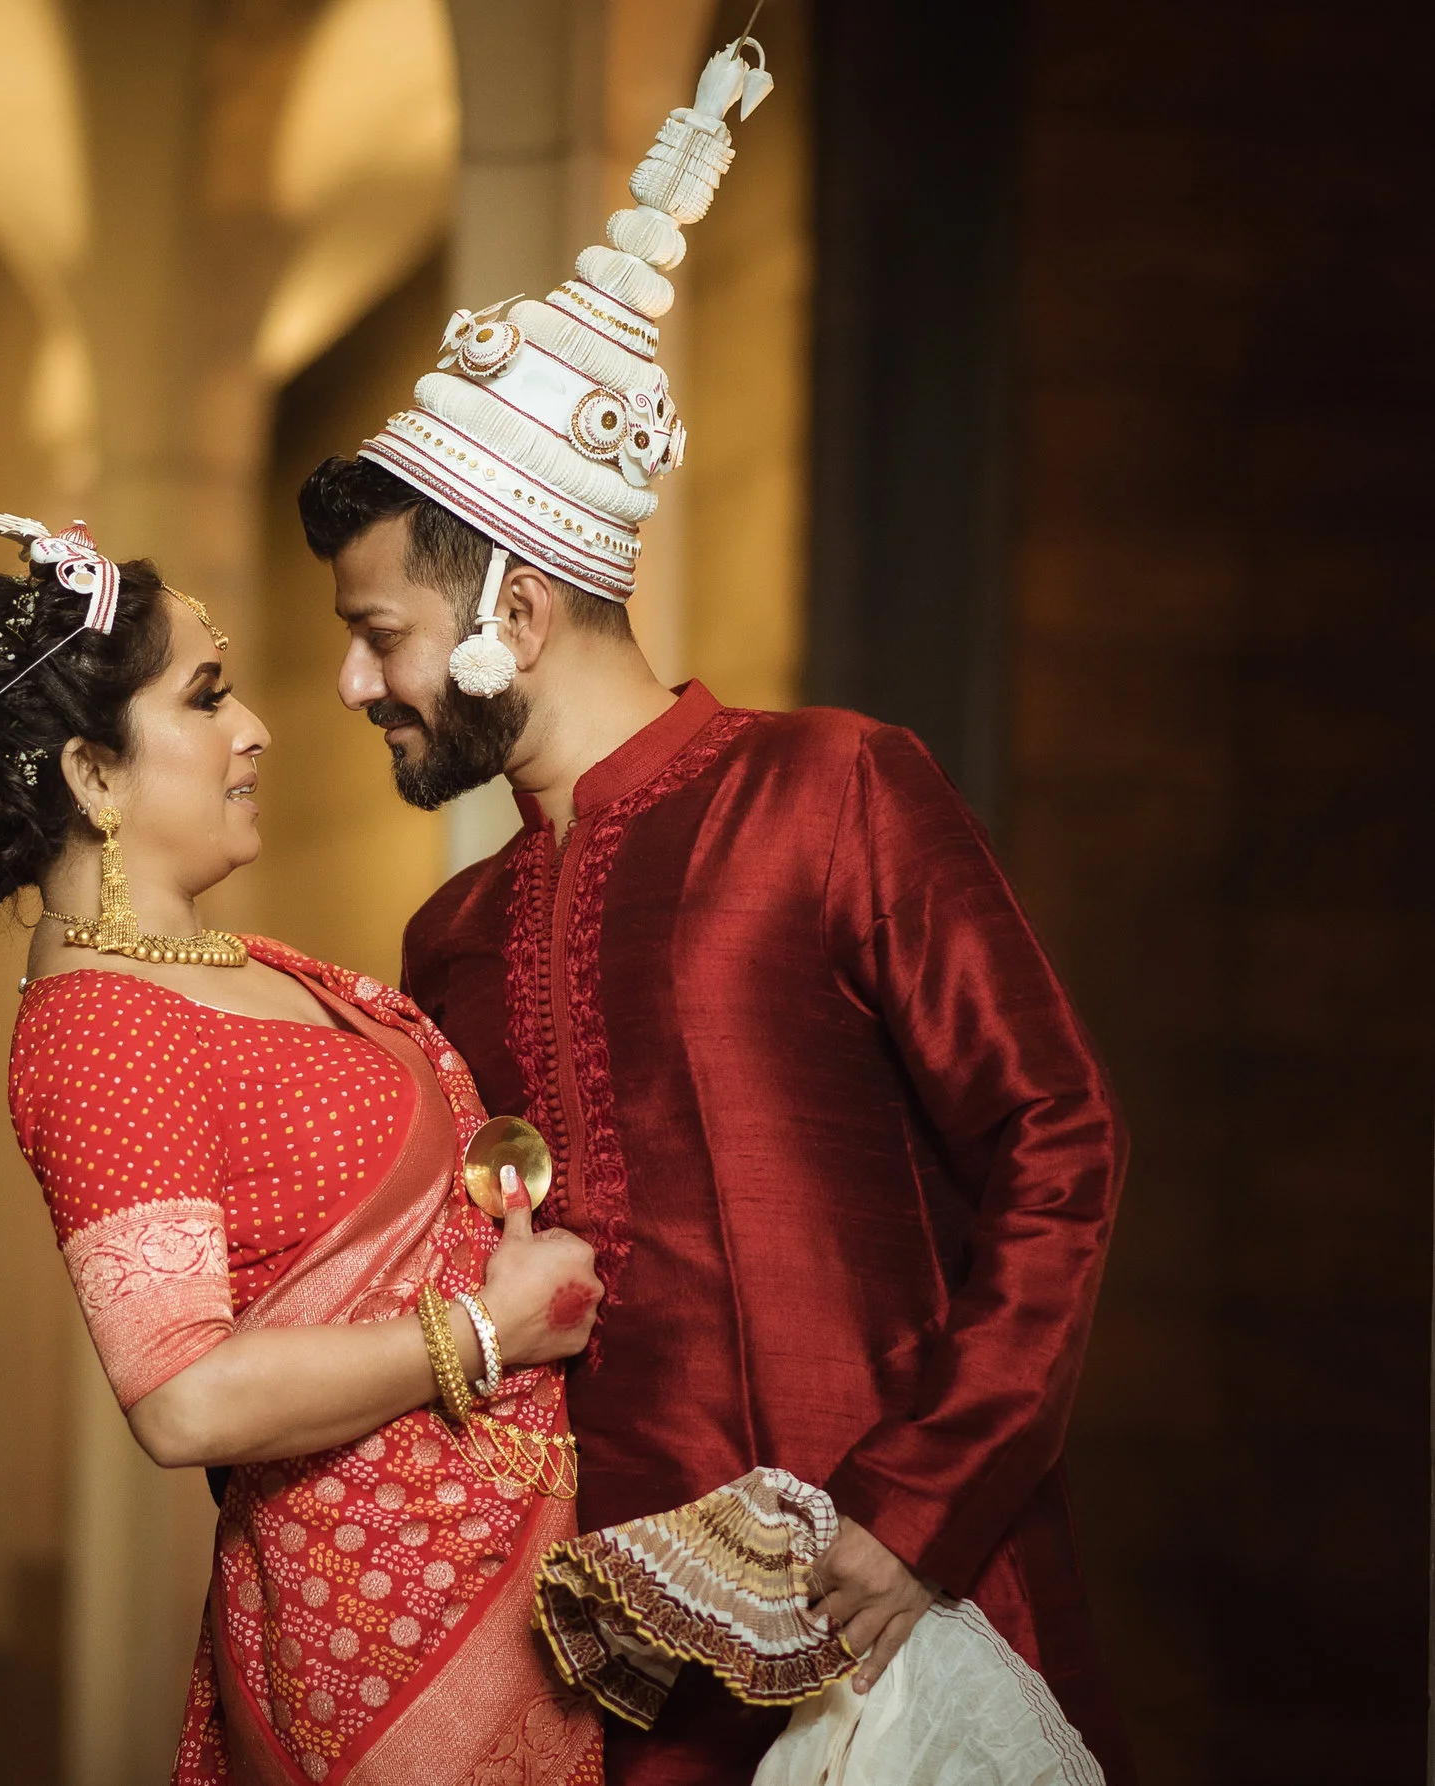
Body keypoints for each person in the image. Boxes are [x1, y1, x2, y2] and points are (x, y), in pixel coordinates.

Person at [294, 32, 1134, 1786]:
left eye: (377, 633)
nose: (357, 684)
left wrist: (920, 1512)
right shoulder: (447, 943)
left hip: (890, 1617)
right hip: (599, 1658)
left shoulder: (830, 786)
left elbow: (1059, 1141)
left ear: (509, 610)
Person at [0, 511, 610, 1785]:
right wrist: (491, 1336)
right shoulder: (96, 1033)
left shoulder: (223, 963)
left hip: (496, 1562)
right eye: (205, 696)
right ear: (93, 778)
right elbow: (182, 1399)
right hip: (383, 1627)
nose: (257, 726)